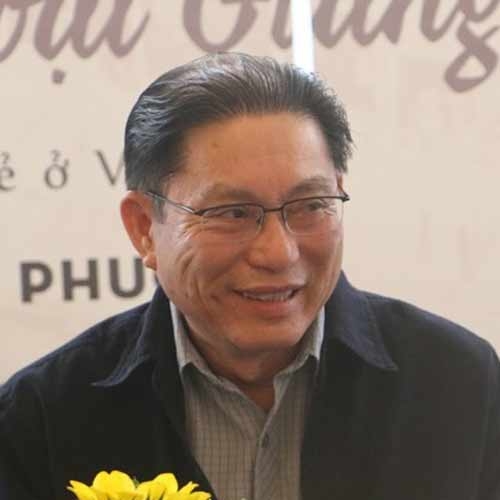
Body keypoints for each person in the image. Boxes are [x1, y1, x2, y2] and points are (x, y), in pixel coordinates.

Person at [1, 53, 499, 500]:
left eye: (310, 205)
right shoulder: (41, 419)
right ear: (144, 228)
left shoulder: (457, 384)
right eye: (233, 213)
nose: (279, 253)